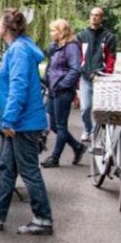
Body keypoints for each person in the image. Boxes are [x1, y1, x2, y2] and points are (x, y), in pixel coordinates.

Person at [0, 8, 54, 235]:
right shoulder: (21, 47)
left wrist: (8, 120)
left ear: (5, 27)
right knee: (6, 167)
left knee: (28, 171)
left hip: (22, 123)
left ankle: (43, 219)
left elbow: (19, 86)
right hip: (22, 121)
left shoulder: (18, 50)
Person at [41, 19, 86, 168]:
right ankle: (77, 147)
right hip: (53, 90)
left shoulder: (71, 47)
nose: (51, 33)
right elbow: (51, 67)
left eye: (53, 30)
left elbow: (75, 69)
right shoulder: (57, 46)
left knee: (60, 125)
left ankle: (55, 158)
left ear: (62, 32)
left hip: (62, 91)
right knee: (53, 124)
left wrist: (63, 85)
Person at [76, 7, 117, 143]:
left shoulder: (109, 37)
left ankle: (95, 132)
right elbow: (78, 57)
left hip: (101, 78)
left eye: (97, 15)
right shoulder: (81, 36)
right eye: (92, 15)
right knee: (85, 108)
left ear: (102, 18)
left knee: (99, 108)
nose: (94, 18)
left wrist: (107, 74)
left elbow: (111, 58)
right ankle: (88, 129)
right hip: (85, 77)